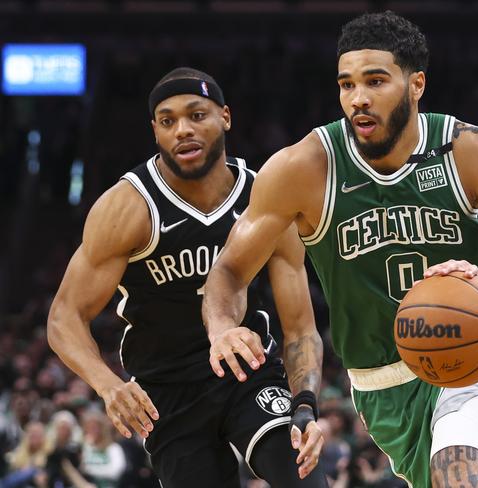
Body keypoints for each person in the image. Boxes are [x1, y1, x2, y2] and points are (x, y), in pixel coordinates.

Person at [202, 11, 478, 488]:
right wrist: (221, 328)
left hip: (471, 360)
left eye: (375, 81)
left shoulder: (469, 150)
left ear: (416, 84)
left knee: (459, 472)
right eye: (346, 84)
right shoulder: (303, 168)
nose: (358, 99)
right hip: (378, 386)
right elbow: (229, 271)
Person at [47, 67, 327, 487]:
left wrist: (305, 406)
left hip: (246, 372)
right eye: (168, 121)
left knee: (303, 476)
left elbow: (300, 327)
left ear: (225, 117)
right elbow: (63, 317)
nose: (182, 130)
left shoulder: (263, 199)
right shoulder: (127, 208)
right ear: (155, 132)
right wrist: (109, 386)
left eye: (197, 115)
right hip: (166, 391)